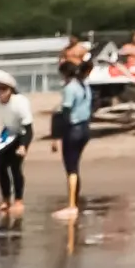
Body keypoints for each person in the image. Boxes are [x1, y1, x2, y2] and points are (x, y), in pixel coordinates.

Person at [0, 78, 32, 217]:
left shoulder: (20, 103)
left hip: (21, 134)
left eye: (4, 89)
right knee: (1, 167)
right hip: (7, 134)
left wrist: (23, 146)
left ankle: (18, 200)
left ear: (10, 90)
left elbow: (28, 129)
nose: (1, 92)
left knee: (15, 168)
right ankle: (5, 199)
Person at [54, 60, 94, 221]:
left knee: (71, 168)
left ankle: (72, 206)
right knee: (75, 167)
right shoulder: (85, 85)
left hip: (73, 130)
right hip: (85, 129)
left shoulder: (70, 88)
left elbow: (66, 112)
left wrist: (57, 136)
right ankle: (74, 202)